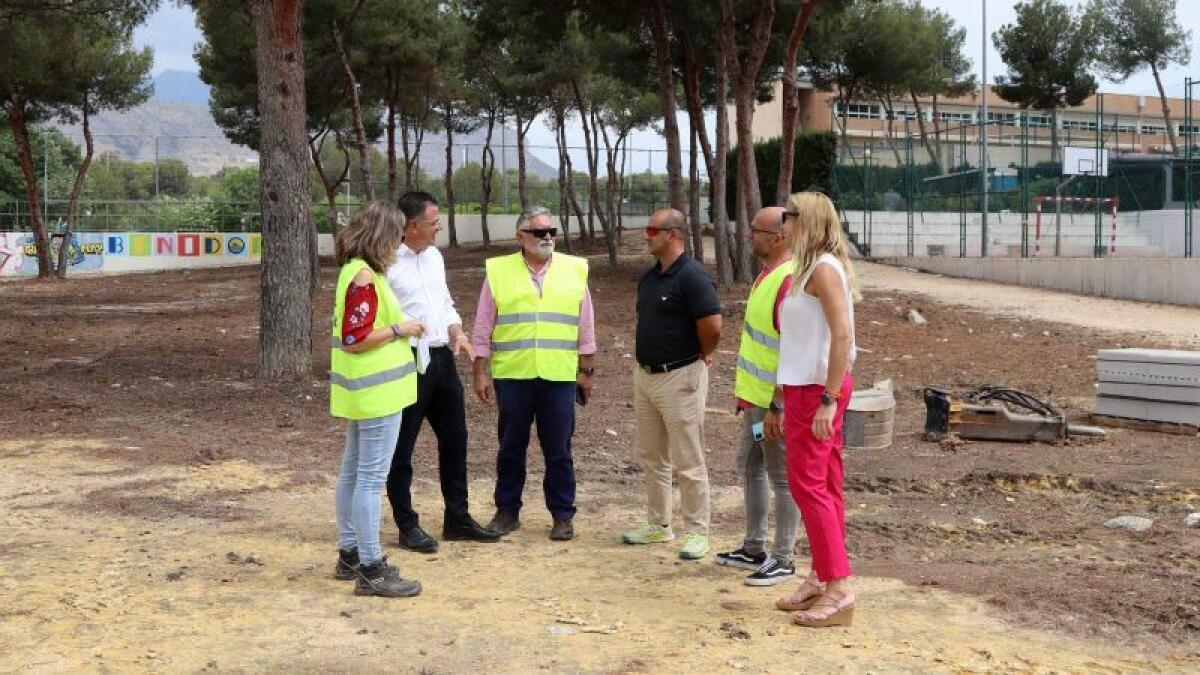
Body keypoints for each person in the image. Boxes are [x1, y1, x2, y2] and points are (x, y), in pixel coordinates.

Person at [470, 207, 596, 541]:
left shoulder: (575, 269)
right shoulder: (498, 271)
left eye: (551, 231)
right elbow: (484, 325)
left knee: (559, 450)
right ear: (521, 236)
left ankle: (562, 515)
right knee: (511, 446)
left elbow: (586, 326)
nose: (548, 237)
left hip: (558, 376)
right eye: (539, 232)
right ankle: (507, 511)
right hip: (513, 375)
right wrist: (479, 371)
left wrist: (586, 371)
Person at [384, 191, 500, 553]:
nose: (440, 228)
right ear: (413, 225)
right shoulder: (385, 262)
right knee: (401, 449)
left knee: (455, 440)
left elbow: (444, 302)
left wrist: (457, 332)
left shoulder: (434, 257)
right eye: (434, 222)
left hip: (443, 361)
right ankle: (407, 524)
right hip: (407, 363)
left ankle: (457, 518)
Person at [767, 191, 859, 627]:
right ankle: (822, 577)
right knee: (825, 483)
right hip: (804, 389)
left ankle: (839, 587)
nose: (782, 221)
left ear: (809, 221)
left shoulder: (823, 269)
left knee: (809, 486)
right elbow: (798, 341)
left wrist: (829, 397)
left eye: (789, 215)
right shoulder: (806, 270)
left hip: (818, 391)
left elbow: (842, 337)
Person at [330, 200, 425, 598]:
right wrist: (401, 328)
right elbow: (355, 338)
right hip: (378, 394)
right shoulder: (365, 278)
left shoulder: (355, 272)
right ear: (383, 236)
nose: (400, 242)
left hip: (364, 393)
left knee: (352, 472)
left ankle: (350, 553)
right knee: (369, 479)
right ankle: (370, 566)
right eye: (397, 235)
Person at [622, 209, 722, 560]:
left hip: (680, 377)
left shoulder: (693, 277)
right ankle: (658, 524)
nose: (646, 235)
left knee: (688, 458)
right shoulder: (650, 277)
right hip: (646, 376)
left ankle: (697, 531)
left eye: (652, 230)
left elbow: (712, 326)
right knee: (652, 455)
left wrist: (702, 354)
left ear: (673, 234)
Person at [714, 206, 801, 586]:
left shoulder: (787, 279)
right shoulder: (766, 276)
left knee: (783, 478)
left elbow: (791, 348)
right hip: (755, 402)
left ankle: (783, 557)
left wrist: (778, 406)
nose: (749, 235)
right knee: (752, 467)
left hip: (772, 405)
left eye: (755, 230)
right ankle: (754, 547)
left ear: (778, 237)